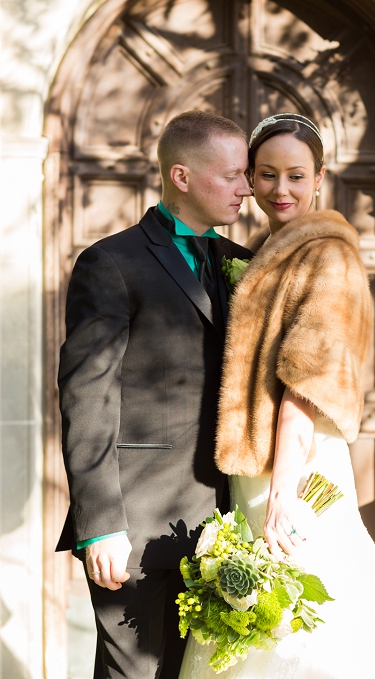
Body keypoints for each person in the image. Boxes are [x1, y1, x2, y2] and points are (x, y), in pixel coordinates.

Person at [178, 113, 375, 678]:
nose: (279, 189)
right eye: (265, 174)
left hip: (298, 462)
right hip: (258, 464)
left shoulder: (327, 256)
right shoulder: (258, 251)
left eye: (295, 175)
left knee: (307, 612)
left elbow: (305, 386)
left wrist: (282, 494)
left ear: (319, 177)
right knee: (259, 613)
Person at [56, 110, 254, 679]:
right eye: (232, 175)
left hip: (227, 530)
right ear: (181, 176)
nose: (246, 189)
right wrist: (100, 524)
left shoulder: (244, 264)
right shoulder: (110, 263)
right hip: (136, 530)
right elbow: (86, 399)